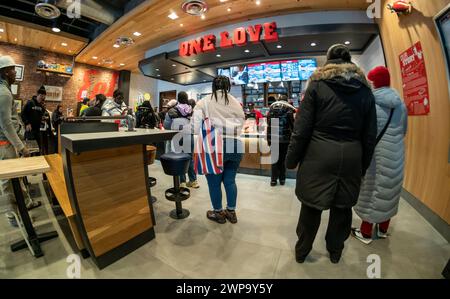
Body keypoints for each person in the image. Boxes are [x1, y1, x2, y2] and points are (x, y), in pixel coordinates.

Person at [286, 44, 377, 264]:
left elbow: (301, 129)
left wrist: (291, 159)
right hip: (352, 155)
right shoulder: (365, 90)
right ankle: (335, 251)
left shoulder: (317, 85)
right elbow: (369, 134)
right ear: (350, 62)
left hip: (319, 155)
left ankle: (302, 251)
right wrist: (363, 164)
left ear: (328, 61)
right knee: (343, 208)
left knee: (311, 207)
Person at [352, 66, 408, 244]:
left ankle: (366, 232)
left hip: (376, 154)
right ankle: (383, 230)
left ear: (373, 82)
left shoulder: (370, 102)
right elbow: (403, 130)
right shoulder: (400, 104)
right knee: (390, 190)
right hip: (396, 152)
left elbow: (363, 132)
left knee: (372, 190)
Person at [192, 76, 245, 224]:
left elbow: (195, 127)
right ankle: (231, 211)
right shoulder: (235, 101)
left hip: (214, 144)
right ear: (228, 86)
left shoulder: (204, 102)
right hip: (235, 144)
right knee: (230, 180)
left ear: (213, 86)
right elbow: (241, 122)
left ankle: (218, 213)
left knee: (214, 183)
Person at [0, 55, 31, 227]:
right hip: (5, 145)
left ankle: (24, 205)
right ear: (5, 72)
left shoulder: (4, 90)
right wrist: (21, 147)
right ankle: (12, 216)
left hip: (6, 143)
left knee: (15, 179)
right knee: (7, 182)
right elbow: (6, 124)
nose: (15, 72)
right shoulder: (4, 93)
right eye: (12, 69)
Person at [164, 92, 199, 189]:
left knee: (179, 157)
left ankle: (182, 182)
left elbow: (166, 126)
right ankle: (193, 181)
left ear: (178, 99)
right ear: (187, 98)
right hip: (189, 134)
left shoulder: (172, 111)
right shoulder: (192, 110)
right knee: (189, 158)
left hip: (177, 135)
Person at [267, 95, 295, 186]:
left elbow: (268, 125)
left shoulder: (271, 109)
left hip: (273, 138)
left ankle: (273, 180)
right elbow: (293, 125)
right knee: (282, 160)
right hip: (285, 139)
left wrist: (268, 139)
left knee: (274, 160)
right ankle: (282, 179)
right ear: (286, 101)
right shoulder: (289, 109)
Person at [22, 86, 46, 151]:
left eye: (44, 96)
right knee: (30, 150)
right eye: (41, 95)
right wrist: (27, 123)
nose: (42, 97)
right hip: (30, 131)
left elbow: (41, 116)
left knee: (38, 149)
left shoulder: (41, 106)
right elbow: (23, 114)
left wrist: (42, 119)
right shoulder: (30, 103)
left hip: (38, 131)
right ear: (38, 95)